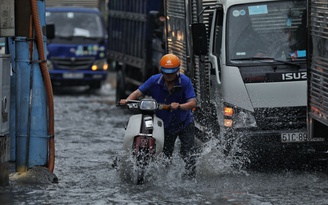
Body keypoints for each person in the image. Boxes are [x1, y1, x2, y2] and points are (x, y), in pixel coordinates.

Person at [120, 53, 197, 178]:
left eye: (171, 72)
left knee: (188, 155)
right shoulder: (154, 80)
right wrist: (127, 101)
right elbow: (138, 92)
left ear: (177, 70)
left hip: (184, 123)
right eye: (166, 72)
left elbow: (193, 102)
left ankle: (190, 178)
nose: (168, 75)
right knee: (165, 156)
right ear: (161, 70)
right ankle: (164, 178)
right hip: (165, 126)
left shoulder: (185, 82)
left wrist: (180, 106)